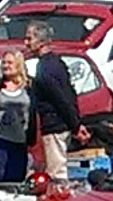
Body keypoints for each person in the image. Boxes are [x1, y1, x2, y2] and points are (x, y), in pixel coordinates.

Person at [0, 52, 38, 187]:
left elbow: (33, 112)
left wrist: (31, 138)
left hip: (19, 141)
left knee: (17, 178)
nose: (5, 66)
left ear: (18, 64)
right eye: (3, 62)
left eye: (9, 62)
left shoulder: (29, 87)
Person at [30, 43, 83, 183]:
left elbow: (59, 97)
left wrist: (76, 124)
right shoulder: (58, 63)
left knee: (56, 173)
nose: (26, 43)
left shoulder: (45, 68)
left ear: (41, 42)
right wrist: (75, 121)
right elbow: (70, 93)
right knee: (58, 167)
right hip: (63, 123)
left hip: (54, 123)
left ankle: (59, 199)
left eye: (30, 38)